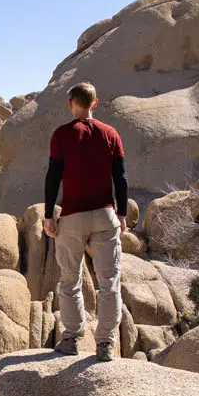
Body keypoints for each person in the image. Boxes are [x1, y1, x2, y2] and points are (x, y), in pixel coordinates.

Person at [43, 82, 128, 361]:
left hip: (73, 215)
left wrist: (47, 215)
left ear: (71, 103)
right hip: (104, 214)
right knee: (109, 282)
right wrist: (122, 214)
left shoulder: (62, 135)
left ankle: (72, 338)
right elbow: (121, 178)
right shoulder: (110, 134)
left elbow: (53, 177)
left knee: (70, 281)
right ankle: (105, 344)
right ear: (95, 102)